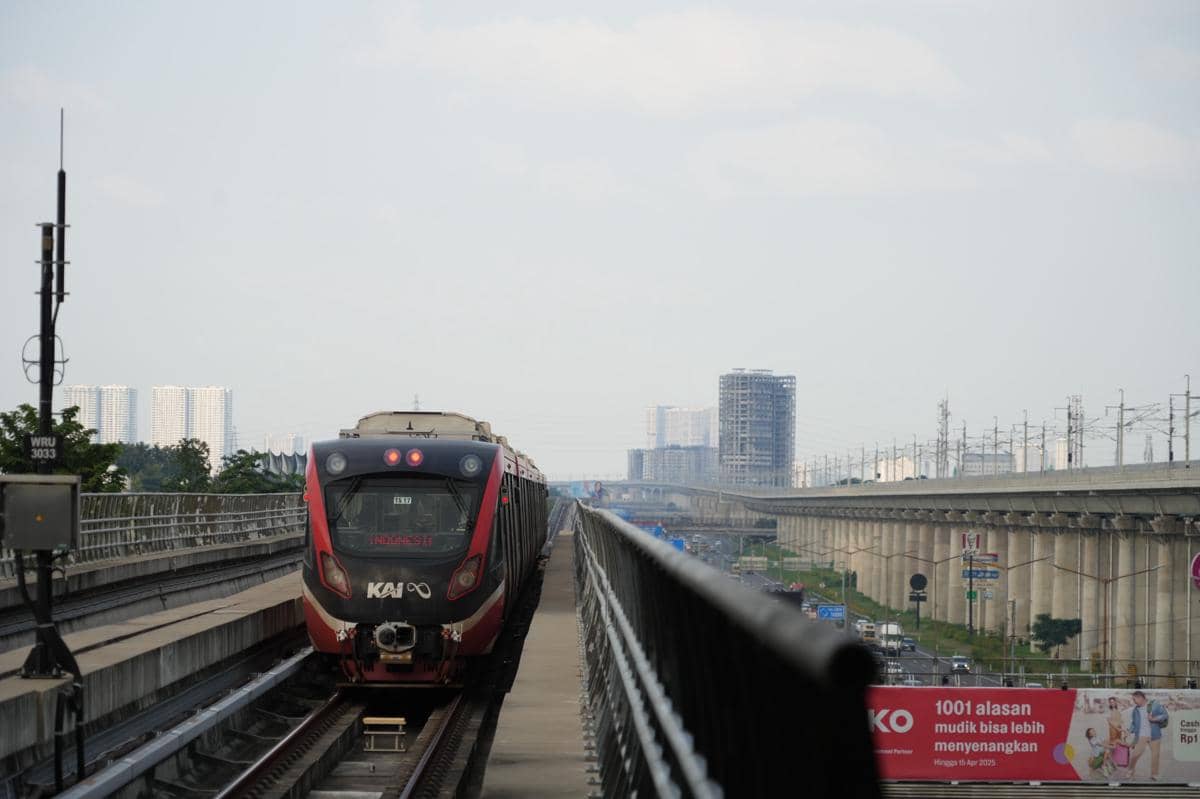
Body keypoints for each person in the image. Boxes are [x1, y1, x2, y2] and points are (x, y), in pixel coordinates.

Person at [1127, 690, 1168, 781]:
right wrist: (1129, 730)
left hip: (1154, 734)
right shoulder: (1135, 710)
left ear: (1140, 698)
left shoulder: (1154, 704)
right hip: (1141, 735)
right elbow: (1134, 723)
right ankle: (1130, 770)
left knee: (1155, 755)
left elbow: (1165, 715)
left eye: (1135, 699)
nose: (1134, 701)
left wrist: (1154, 719)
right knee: (1135, 754)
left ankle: (1154, 774)